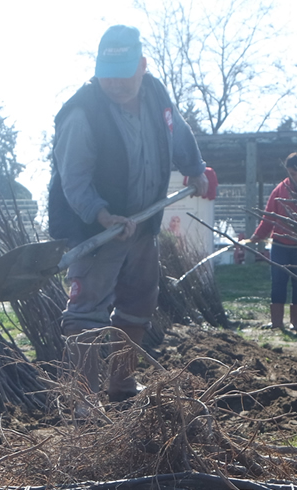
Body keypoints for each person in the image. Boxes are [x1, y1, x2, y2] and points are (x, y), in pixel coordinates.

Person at [48, 25, 210, 403]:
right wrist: (102, 215)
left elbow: (178, 131)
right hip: (95, 232)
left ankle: (121, 385)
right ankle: (83, 403)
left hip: (143, 224)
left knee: (138, 302)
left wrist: (195, 167)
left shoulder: (156, 95)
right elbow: (74, 180)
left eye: (123, 76)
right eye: (107, 77)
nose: (116, 85)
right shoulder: (81, 113)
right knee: (87, 311)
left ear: (142, 65)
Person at [248, 151, 297, 333]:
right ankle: (276, 323)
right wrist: (257, 236)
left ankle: (295, 323)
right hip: (280, 245)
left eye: (294, 173)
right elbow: (268, 217)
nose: (291, 177)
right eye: (289, 173)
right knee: (278, 282)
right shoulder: (281, 188)